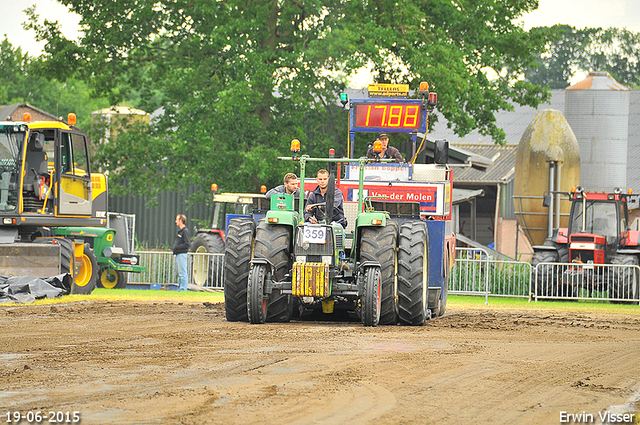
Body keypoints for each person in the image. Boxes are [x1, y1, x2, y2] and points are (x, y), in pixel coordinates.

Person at [172, 214, 191, 291]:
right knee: (180, 272)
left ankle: (183, 288)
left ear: (181, 221)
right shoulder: (180, 232)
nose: (175, 221)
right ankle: (180, 288)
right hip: (178, 254)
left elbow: (187, 244)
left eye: (177, 220)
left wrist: (177, 247)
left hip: (182, 254)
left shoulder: (185, 232)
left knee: (182, 272)